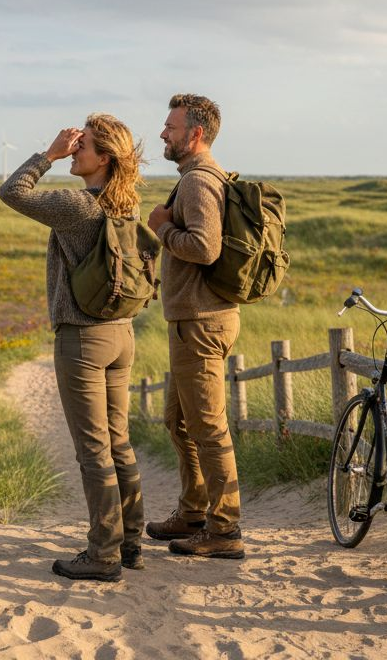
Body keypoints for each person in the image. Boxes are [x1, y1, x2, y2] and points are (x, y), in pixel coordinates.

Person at [0, 113, 149, 582]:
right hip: (121, 334)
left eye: (82, 145)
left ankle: (102, 554)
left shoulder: (78, 205)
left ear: (103, 158)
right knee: (119, 442)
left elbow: (12, 192)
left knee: (93, 451)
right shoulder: (126, 206)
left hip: (82, 337)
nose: (73, 148)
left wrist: (48, 155)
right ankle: (130, 542)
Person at [144, 93, 245, 559]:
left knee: (207, 428)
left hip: (201, 322)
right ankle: (192, 512)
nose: (163, 133)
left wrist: (161, 228)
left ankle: (224, 530)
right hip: (196, 319)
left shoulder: (198, 182)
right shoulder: (197, 178)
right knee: (179, 420)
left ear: (196, 133)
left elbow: (205, 248)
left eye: (171, 127)